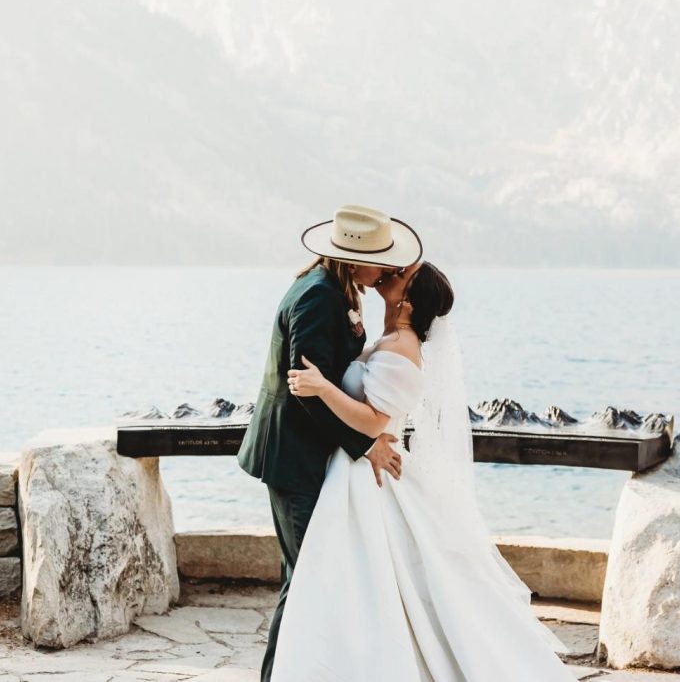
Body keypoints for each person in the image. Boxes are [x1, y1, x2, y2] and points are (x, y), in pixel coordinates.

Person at [271, 261, 576, 681]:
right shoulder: (391, 339)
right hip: (353, 471)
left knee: (342, 583)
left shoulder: (402, 348)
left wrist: (323, 387)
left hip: (366, 474)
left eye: (402, 275)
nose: (390, 272)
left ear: (409, 302)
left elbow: (374, 423)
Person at [238, 204, 423, 682]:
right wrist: (367, 444)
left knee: (305, 577)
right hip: (292, 457)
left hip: (305, 453)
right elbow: (306, 391)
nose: (386, 271)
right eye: (380, 262)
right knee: (305, 579)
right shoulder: (319, 297)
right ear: (355, 259)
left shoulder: (333, 289)